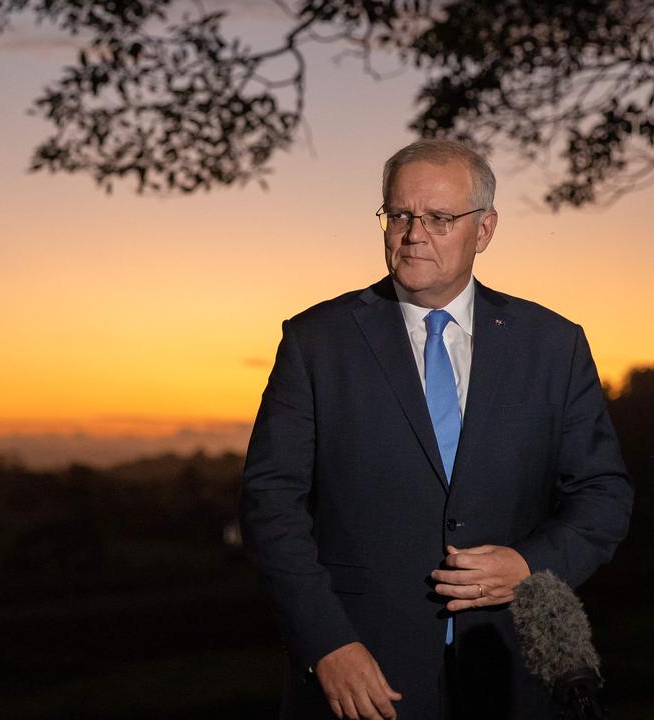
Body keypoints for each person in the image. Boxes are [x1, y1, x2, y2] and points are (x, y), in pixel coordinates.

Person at [238, 138, 632, 720]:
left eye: (439, 218)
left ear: (486, 229)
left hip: (513, 672)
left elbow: (604, 495)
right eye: (399, 215)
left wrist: (529, 565)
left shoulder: (553, 344)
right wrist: (325, 644)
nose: (413, 233)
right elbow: (270, 504)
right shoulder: (315, 342)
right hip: (361, 678)